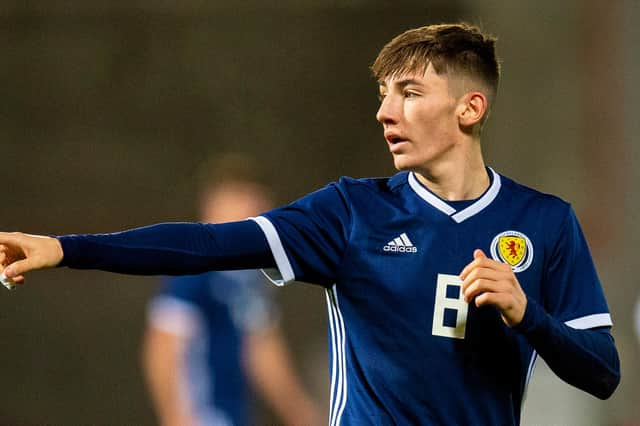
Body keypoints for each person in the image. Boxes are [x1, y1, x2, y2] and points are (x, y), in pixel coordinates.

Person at [0, 23, 620, 425]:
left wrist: (526, 314)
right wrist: (65, 247)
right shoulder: (350, 211)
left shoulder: (544, 223)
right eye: (382, 93)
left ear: (469, 107)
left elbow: (602, 372)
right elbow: (209, 243)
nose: (384, 112)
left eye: (407, 93)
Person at [141, 155, 321, 426]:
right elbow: (162, 348)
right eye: (243, 199)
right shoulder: (193, 266)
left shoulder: (249, 275)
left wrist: (300, 413)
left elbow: (262, 350)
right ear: (213, 204)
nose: (256, 210)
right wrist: (176, 417)